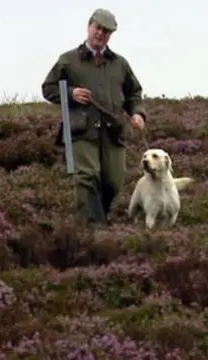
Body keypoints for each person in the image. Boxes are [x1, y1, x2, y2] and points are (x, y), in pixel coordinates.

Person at [41, 8, 147, 226]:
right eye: (98, 28)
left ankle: (98, 218)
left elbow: (133, 92)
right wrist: (71, 94)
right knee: (87, 177)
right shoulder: (68, 60)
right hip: (82, 130)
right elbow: (48, 88)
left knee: (113, 182)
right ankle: (92, 229)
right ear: (89, 26)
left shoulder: (120, 64)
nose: (101, 34)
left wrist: (137, 113)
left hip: (113, 131)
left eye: (107, 32)